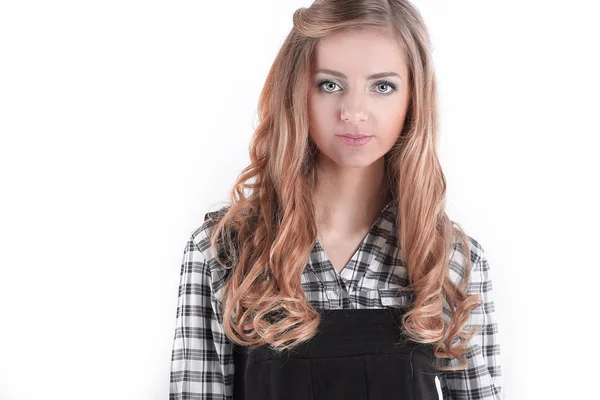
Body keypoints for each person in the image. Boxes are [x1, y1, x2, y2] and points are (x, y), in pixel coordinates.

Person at [169, 0, 503, 399]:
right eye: (330, 84)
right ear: (297, 93)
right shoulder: (224, 251)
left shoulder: (448, 262)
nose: (354, 112)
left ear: (413, 99)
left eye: (382, 86)